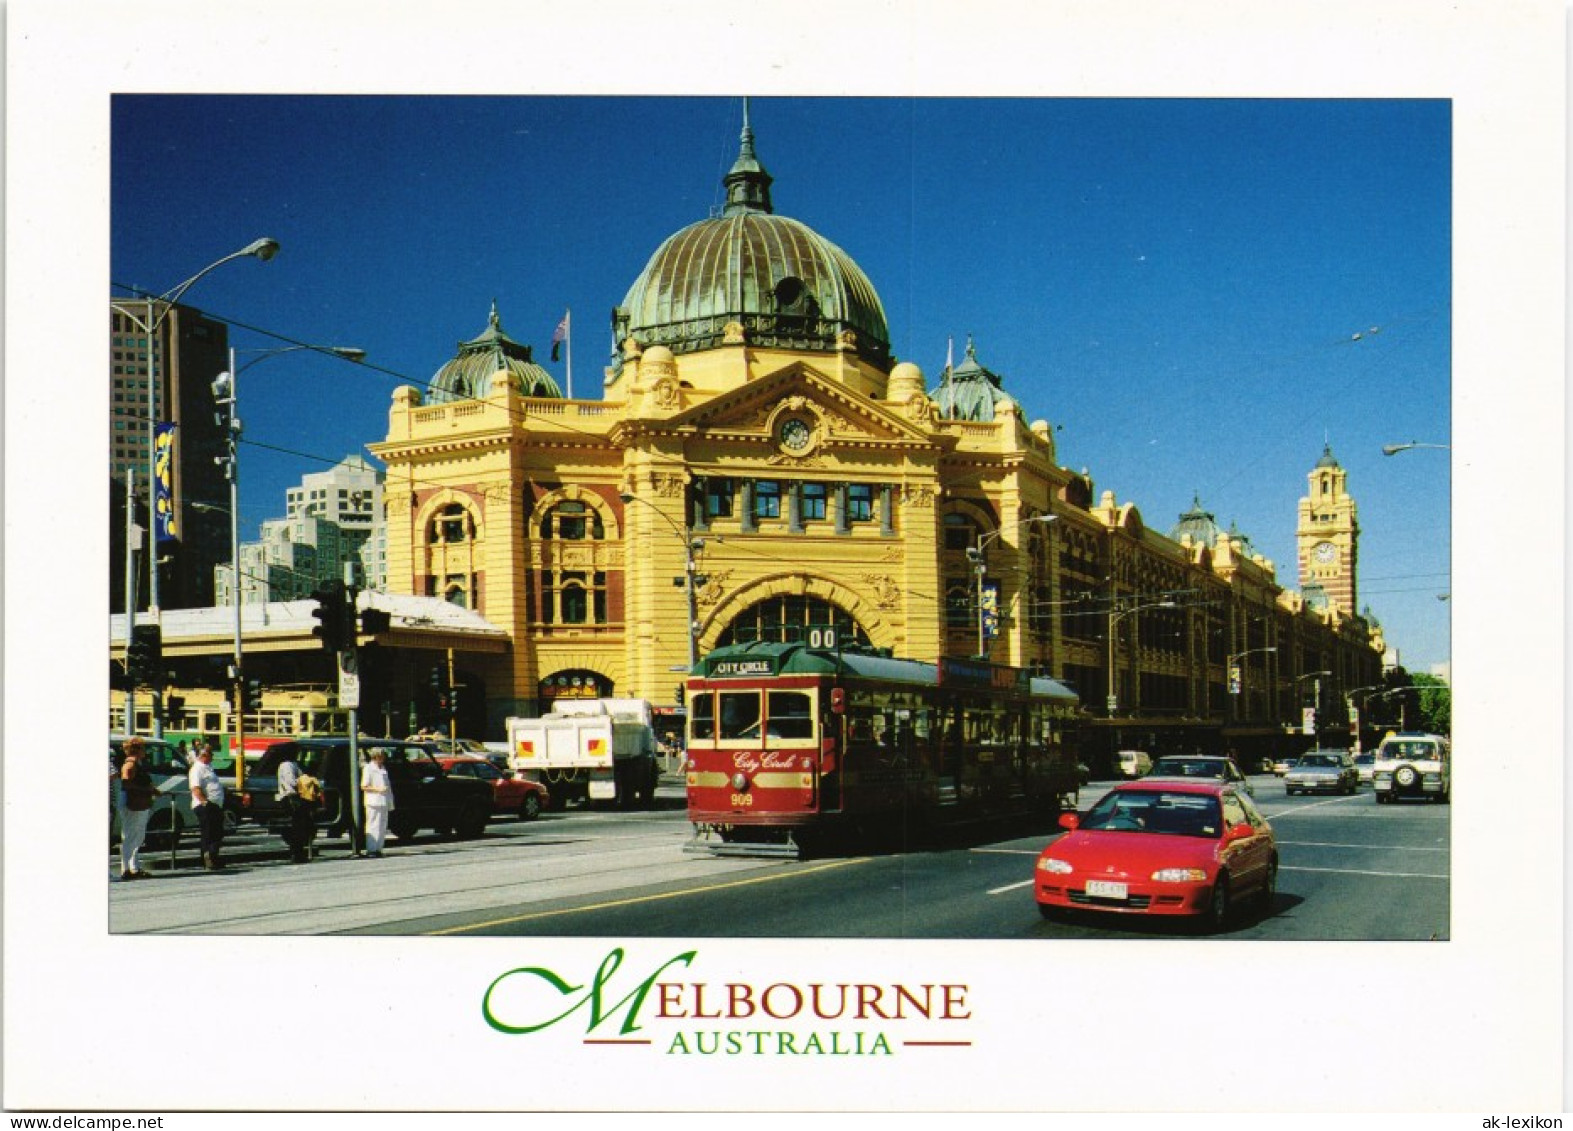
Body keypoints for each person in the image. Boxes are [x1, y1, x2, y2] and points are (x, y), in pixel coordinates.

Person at [118, 738, 156, 880]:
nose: (145, 751)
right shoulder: (130, 764)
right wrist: (146, 788)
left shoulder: (137, 763)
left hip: (138, 802)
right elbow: (127, 783)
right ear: (137, 750)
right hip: (132, 802)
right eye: (142, 748)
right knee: (130, 835)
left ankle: (134, 866)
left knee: (137, 835)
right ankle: (127, 868)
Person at [188, 740, 228, 870]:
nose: (212, 756)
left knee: (217, 832)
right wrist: (205, 803)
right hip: (205, 805)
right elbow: (196, 788)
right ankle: (208, 858)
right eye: (210, 753)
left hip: (215, 805)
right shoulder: (197, 769)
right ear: (203, 754)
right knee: (209, 832)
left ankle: (213, 857)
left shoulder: (208, 767)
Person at [274, 747, 312, 864]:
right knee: (297, 827)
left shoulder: (293, 764)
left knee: (300, 826)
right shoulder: (287, 765)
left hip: (295, 797)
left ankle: (299, 851)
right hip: (291, 798)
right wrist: (304, 782)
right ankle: (297, 853)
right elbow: (291, 781)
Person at [359, 748, 394, 857]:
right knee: (373, 825)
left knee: (382, 825)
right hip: (373, 801)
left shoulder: (383, 768)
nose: (383, 758)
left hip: (384, 800)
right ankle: (371, 849)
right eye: (381, 756)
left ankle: (379, 848)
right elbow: (364, 786)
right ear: (376, 756)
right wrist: (378, 789)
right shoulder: (368, 768)